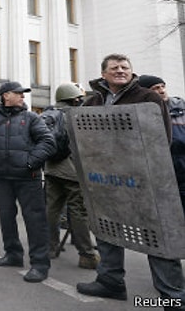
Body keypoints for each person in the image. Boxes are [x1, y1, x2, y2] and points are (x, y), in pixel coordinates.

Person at [77, 54, 185, 305]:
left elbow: (162, 139)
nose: (120, 71)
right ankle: (110, 282)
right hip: (105, 178)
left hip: (143, 179)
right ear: (103, 74)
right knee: (106, 227)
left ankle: (173, 297)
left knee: (156, 235)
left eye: (125, 67)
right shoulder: (93, 101)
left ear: (132, 72)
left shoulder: (148, 98)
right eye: (114, 68)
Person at [0, 81, 56, 283]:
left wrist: (30, 163)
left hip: (28, 179)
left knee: (35, 221)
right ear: (6, 95)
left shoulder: (32, 118)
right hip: (2, 178)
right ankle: (13, 254)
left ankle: (40, 264)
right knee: (6, 217)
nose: (23, 97)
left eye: (23, 94)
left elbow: (48, 142)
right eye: (19, 93)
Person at [43, 83, 100, 269]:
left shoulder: (46, 115)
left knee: (52, 210)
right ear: (75, 99)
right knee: (78, 212)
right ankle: (87, 254)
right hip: (73, 171)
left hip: (51, 169)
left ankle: (50, 248)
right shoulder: (77, 116)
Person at [138, 75, 185, 217]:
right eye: (155, 88)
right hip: (161, 175)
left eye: (162, 86)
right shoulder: (143, 112)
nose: (162, 91)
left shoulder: (181, 107)